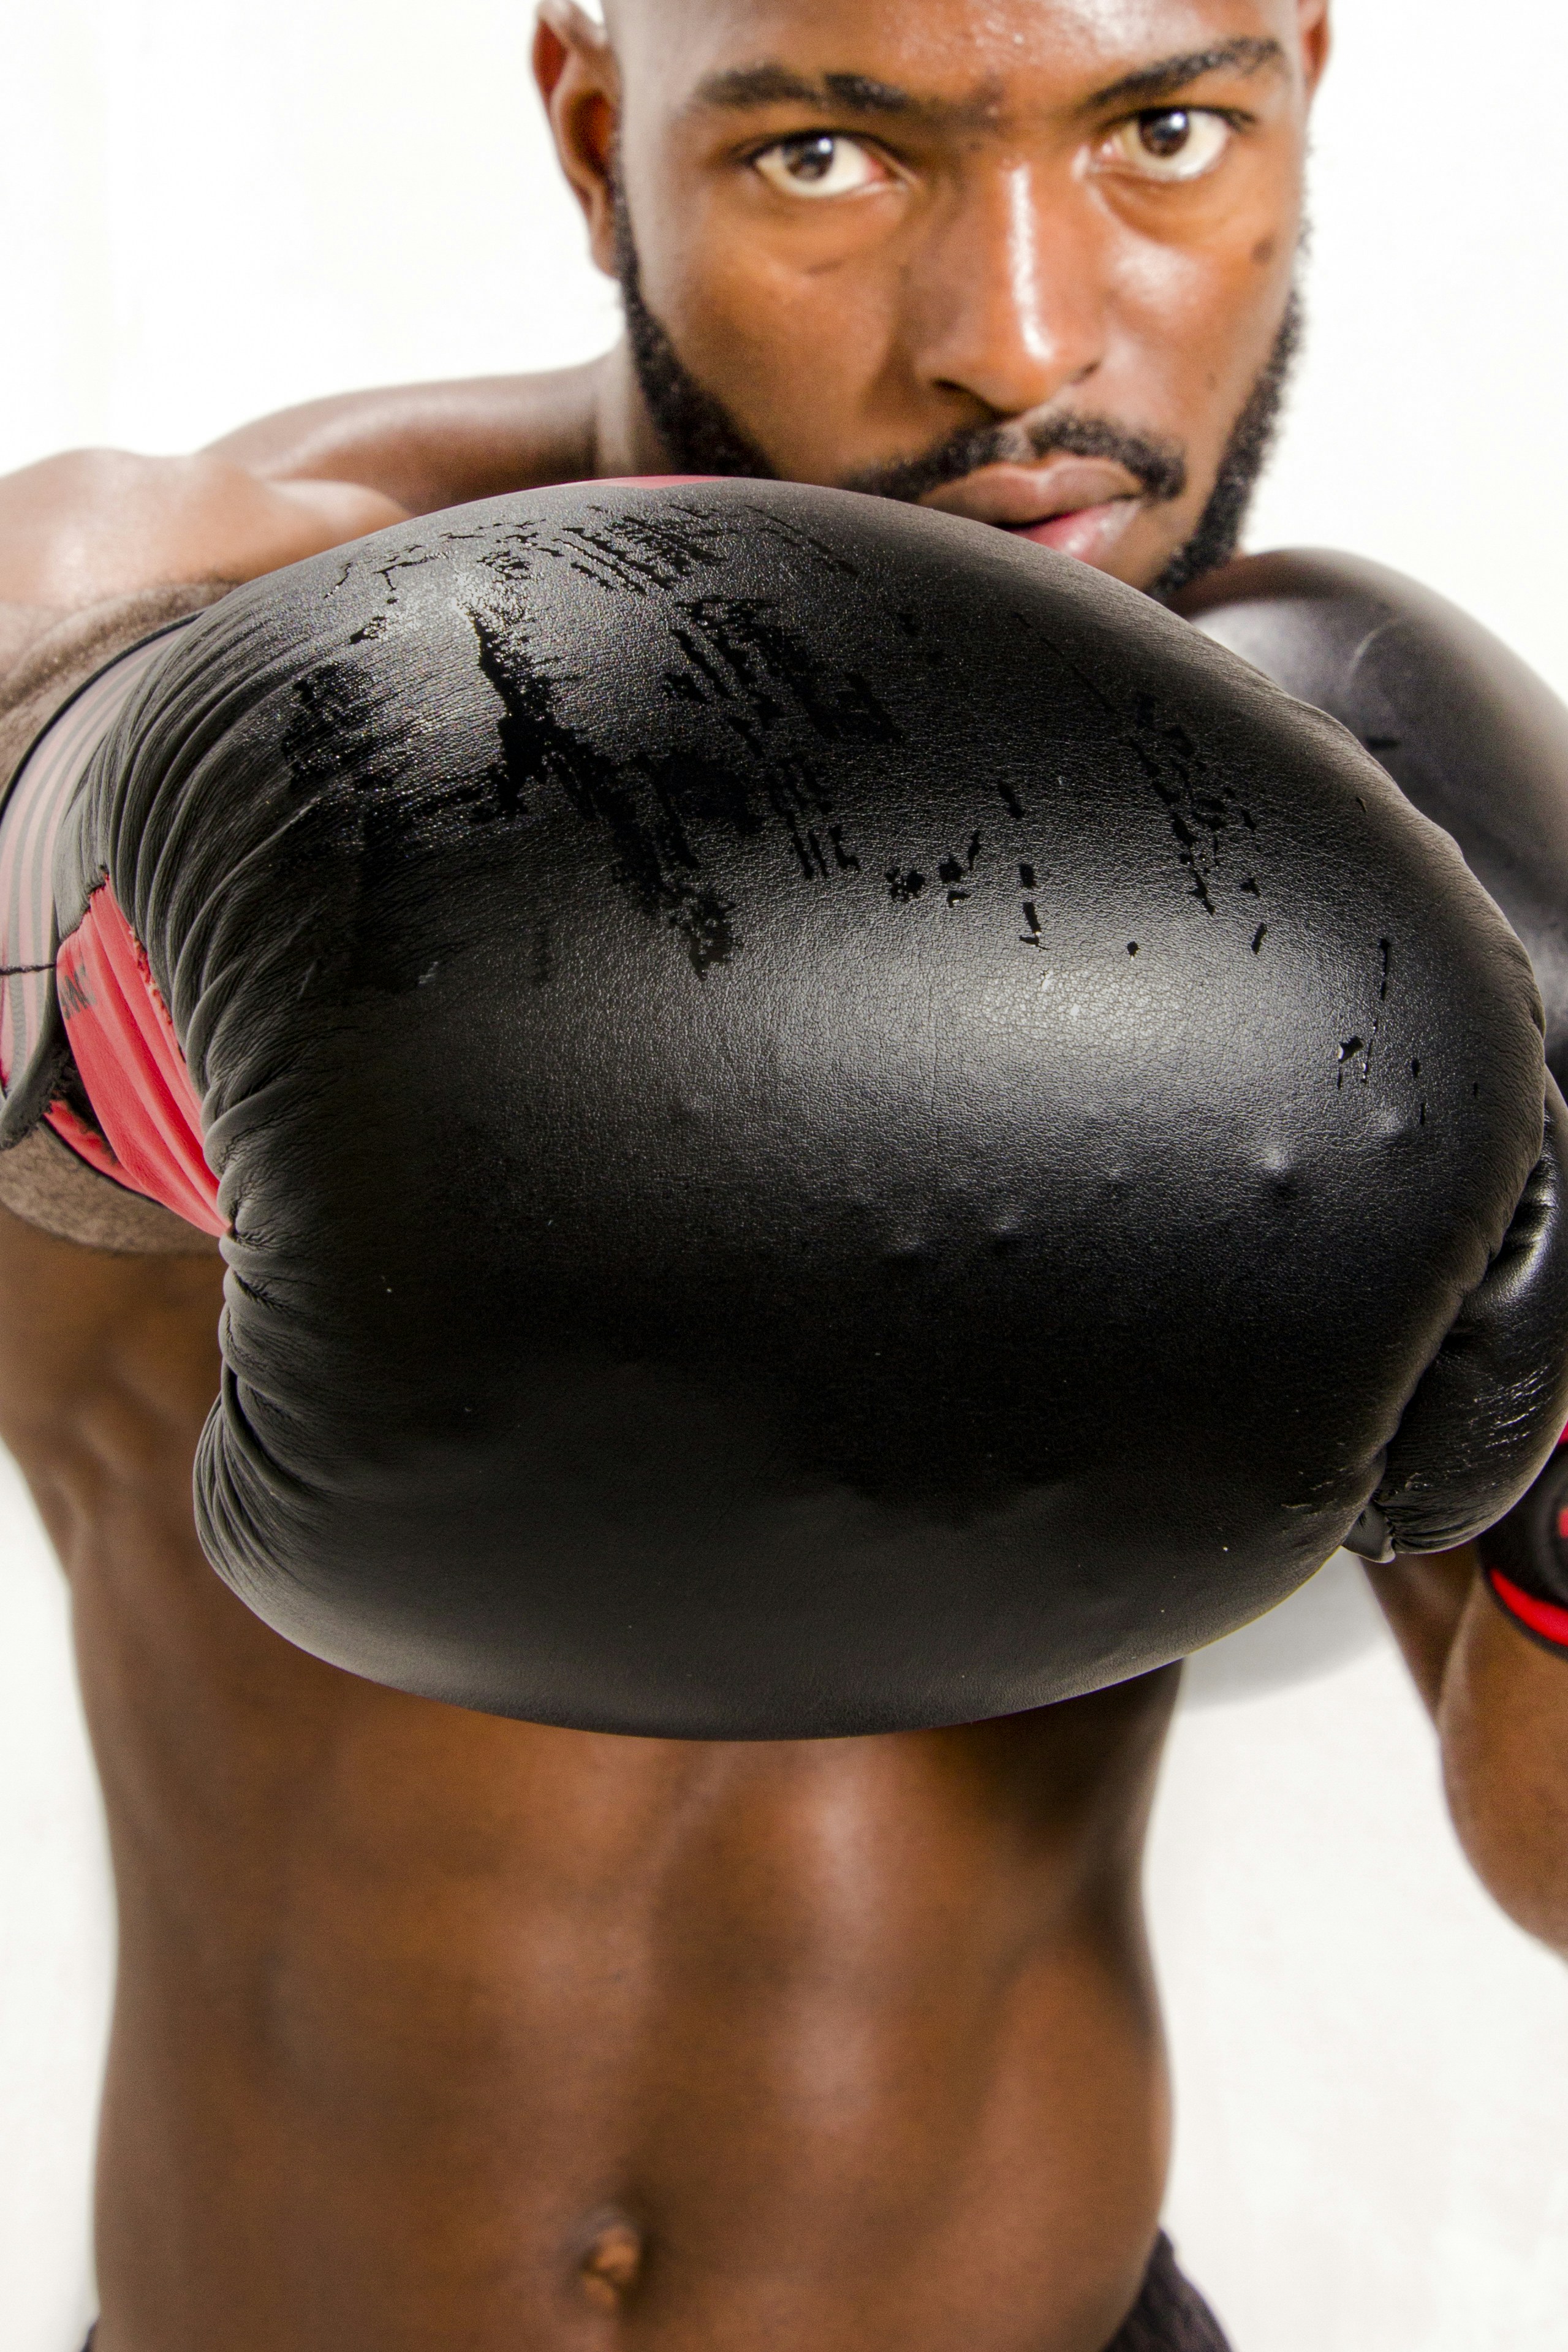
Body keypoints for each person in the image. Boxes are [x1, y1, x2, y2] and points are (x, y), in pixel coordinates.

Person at [3, 5, 1567, 2348]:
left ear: (1304, 92)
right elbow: (46, 710)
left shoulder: (1365, 878)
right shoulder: (193, 583)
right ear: (598, 122)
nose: (1023, 341)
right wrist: (254, 855)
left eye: (1163, 132)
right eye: (836, 157)